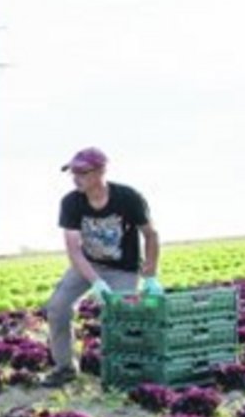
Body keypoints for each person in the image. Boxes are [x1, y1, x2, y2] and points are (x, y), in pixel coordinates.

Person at [42, 147, 161, 387]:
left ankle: (126, 371)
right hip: (87, 265)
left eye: (82, 172)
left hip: (123, 269)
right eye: (72, 172)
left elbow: (150, 234)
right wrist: (95, 281)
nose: (76, 177)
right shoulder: (71, 202)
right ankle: (65, 367)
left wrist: (150, 273)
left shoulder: (128, 197)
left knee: (121, 317)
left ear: (100, 172)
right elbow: (74, 250)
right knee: (57, 308)